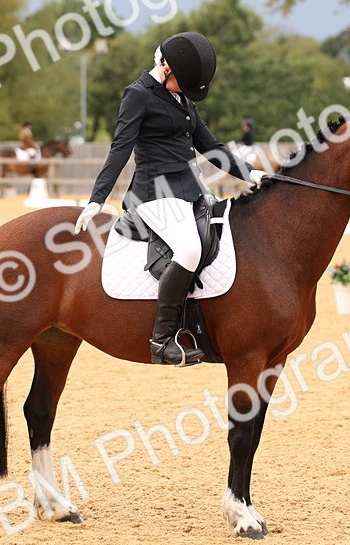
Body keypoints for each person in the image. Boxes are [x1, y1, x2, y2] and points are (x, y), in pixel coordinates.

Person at [74, 32, 268, 366]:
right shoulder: (137, 96)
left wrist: (251, 173)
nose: (185, 91)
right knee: (189, 248)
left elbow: (211, 146)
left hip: (191, 191)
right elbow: (120, 148)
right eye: (182, 82)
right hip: (153, 194)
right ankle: (162, 340)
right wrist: (97, 198)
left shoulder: (182, 99)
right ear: (165, 68)